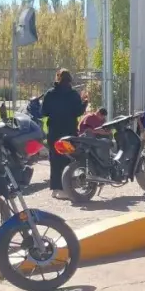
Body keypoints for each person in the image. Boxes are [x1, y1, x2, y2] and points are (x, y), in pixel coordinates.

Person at [41, 69, 88, 199]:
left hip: (54, 131)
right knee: (67, 159)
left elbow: (44, 112)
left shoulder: (50, 93)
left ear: (57, 78)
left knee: (55, 159)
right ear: (70, 80)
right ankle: (65, 188)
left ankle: (55, 188)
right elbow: (78, 112)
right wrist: (85, 102)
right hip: (69, 131)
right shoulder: (73, 95)